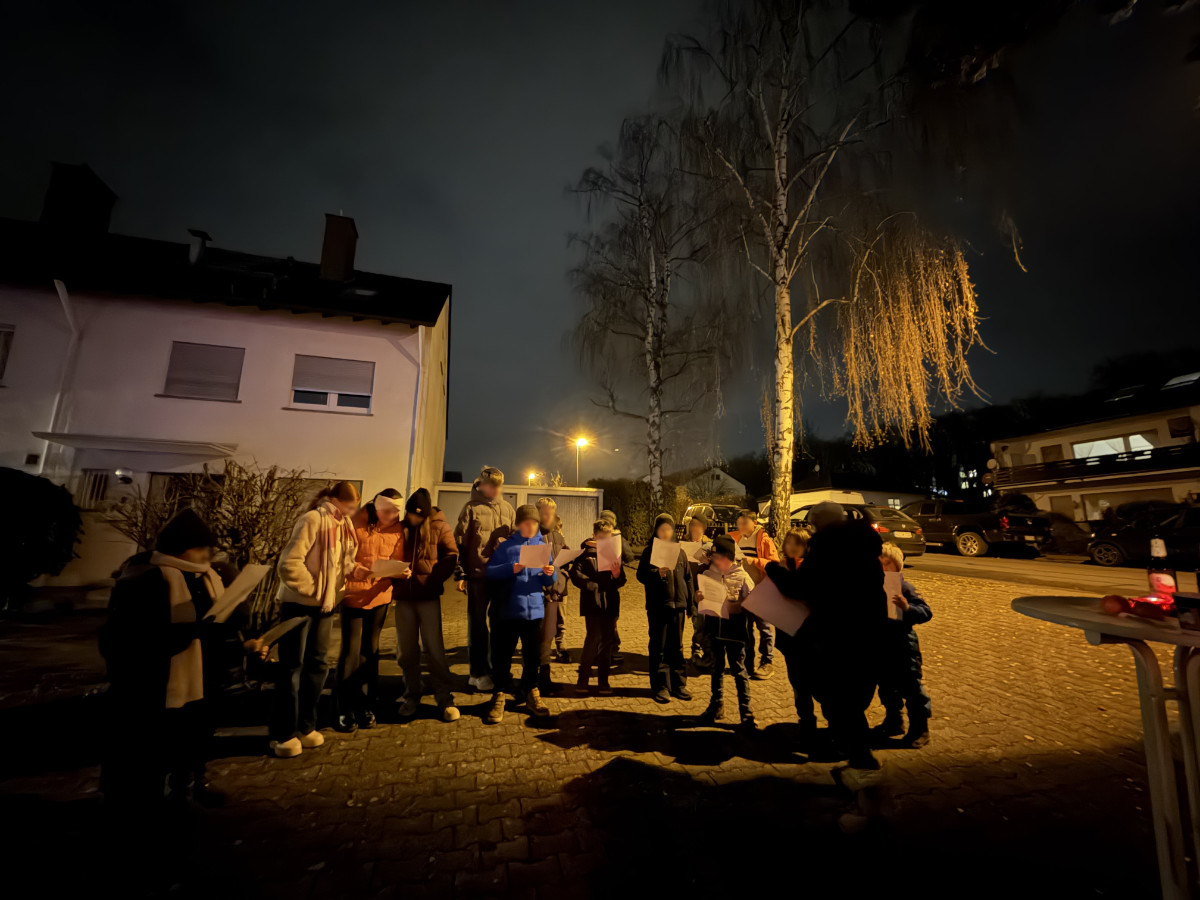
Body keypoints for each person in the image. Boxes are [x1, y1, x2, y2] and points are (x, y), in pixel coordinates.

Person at [99, 509, 267, 812]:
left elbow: (218, 627)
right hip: (159, 682)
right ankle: (147, 803)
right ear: (179, 546)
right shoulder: (145, 577)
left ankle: (189, 786)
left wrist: (245, 644)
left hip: (204, 678)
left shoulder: (208, 576)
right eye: (201, 547)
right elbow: (123, 640)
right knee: (157, 746)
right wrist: (190, 631)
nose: (207, 554)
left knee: (196, 738)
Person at [767, 501, 886, 776]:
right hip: (869, 629)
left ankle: (859, 760)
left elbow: (800, 588)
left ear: (819, 523)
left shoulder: (826, 549)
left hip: (836, 634)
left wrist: (774, 570)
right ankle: (852, 749)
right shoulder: (865, 546)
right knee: (855, 693)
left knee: (836, 695)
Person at [270, 481, 362, 759]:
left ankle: (307, 726)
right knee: (291, 668)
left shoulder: (343, 524)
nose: (351, 511)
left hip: (326, 605)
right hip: (299, 604)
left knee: (318, 664)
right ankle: (283, 732)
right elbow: (289, 563)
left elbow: (343, 562)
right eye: (349, 505)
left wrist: (358, 571)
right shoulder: (313, 519)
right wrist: (315, 590)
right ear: (334, 500)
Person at [336, 489, 403, 733]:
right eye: (386, 511)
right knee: (350, 651)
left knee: (371, 649)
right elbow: (341, 555)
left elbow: (398, 556)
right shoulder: (355, 523)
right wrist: (355, 568)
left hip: (380, 595)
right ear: (376, 508)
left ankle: (366, 704)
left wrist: (400, 571)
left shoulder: (397, 529)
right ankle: (344, 707)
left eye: (395, 512)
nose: (391, 516)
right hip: (354, 593)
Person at [394, 488, 462, 722]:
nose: (411, 518)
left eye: (416, 515)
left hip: (428, 597)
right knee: (407, 650)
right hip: (403, 598)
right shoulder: (400, 528)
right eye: (409, 513)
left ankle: (444, 696)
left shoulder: (440, 527)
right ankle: (412, 693)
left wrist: (434, 579)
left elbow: (451, 555)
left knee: (434, 648)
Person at [483, 504, 556, 722]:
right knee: (502, 655)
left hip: (534, 612)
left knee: (532, 656)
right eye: (526, 523)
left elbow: (549, 580)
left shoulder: (542, 546)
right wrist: (510, 568)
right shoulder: (506, 547)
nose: (530, 527)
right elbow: (490, 572)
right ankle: (499, 694)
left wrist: (550, 574)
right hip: (507, 611)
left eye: (534, 523)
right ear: (518, 524)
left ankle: (531, 691)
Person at [454, 466, 516, 693]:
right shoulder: (470, 509)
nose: (495, 490)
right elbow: (460, 542)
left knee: (500, 626)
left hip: (501, 576)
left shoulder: (509, 509)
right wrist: (461, 573)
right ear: (482, 485)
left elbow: (515, 539)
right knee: (478, 626)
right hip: (478, 577)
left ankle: (497, 669)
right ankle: (477, 673)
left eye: (498, 486)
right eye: (491, 486)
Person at [875, 543, 932, 747]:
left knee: (912, 687)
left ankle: (920, 728)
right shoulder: (875, 587)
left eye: (887, 564)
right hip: (882, 644)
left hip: (903, 644)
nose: (883, 568)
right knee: (887, 685)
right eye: (879, 564)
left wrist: (907, 607)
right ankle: (894, 720)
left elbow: (926, 612)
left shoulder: (904, 587)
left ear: (897, 566)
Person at [695, 535, 755, 728]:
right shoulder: (707, 574)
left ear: (730, 557)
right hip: (714, 630)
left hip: (735, 632)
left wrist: (739, 606)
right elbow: (700, 601)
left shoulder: (742, 576)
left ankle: (746, 712)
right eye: (714, 558)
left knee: (738, 670)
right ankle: (716, 705)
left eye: (721, 558)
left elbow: (754, 604)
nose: (717, 562)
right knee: (716, 668)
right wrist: (698, 598)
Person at [637, 513, 693, 703]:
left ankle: (678, 683)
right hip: (658, 606)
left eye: (668, 529)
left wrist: (690, 603)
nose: (666, 533)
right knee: (659, 646)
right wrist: (656, 573)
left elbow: (688, 578)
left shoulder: (681, 552)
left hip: (679, 606)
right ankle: (660, 685)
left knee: (676, 646)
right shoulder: (649, 551)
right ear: (656, 531)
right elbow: (641, 575)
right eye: (662, 529)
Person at [570, 520, 626, 696]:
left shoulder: (615, 553)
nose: (604, 541)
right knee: (592, 641)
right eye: (601, 538)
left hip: (610, 603)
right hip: (592, 603)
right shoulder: (585, 553)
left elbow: (622, 580)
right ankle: (583, 679)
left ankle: (603, 681)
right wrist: (589, 584)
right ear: (594, 536)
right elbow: (575, 574)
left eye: (607, 538)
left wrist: (617, 575)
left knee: (607, 643)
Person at [772, 527, 818, 741]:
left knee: (815, 682)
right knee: (798, 683)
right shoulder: (783, 566)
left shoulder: (810, 569)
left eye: (797, 543)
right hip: (788, 636)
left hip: (810, 637)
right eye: (789, 542)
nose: (792, 547)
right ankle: (806, 721)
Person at [729, 510, 779, 680]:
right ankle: (748, 662)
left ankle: (767, 662)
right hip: (742, 591)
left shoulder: (764, 539)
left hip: (760, 590)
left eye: (744, 523)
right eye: (739, 523)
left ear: (754, 523)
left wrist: (754, 561)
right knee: (745, 628)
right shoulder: (735, 538)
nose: (740, 526)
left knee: (764, 628)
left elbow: (775, 564)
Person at [536, 497, 570, 695]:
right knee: (538, 639)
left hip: (556, 593)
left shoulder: (558, 537)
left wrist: (562, 579)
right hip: (539, 595)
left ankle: (544, 678)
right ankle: (535, 679)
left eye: (551, 513)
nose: (548, 517)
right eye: (544, 513)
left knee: (547, 637)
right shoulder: (533, 536)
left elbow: (564, 564)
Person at [598, 509, 635, 665]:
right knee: (601, 622)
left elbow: (630, 557)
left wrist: (618, 541)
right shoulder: (596, 537)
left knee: (612, 621)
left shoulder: (618, 538)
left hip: (613, 584)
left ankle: (613, 648)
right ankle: (603, 649)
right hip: (599, 586)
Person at [684, 514, 714, 673]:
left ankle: (703, 653)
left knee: (702, 624)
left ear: (703, 528)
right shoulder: (683, 544)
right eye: (691, 525)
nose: (694, 529)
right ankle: (696, 652)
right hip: (688, 590)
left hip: (703, 592)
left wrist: (709, 561)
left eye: (697, 526)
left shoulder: (709, 545)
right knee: (697, 622)